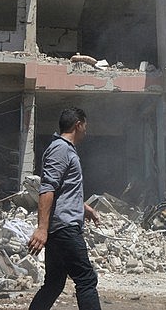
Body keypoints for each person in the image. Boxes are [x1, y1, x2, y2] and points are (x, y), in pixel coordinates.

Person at [28, 107, 102, 310]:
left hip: (60, 228)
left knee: (54, 283)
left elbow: (64, 190)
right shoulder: (60, 149)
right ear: (78, 125)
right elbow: (47, 188)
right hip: (64, 229)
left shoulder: (65, 150)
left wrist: (84, 208)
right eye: (85, 126)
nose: (86, 130)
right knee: (86, 279)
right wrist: (42, 229)